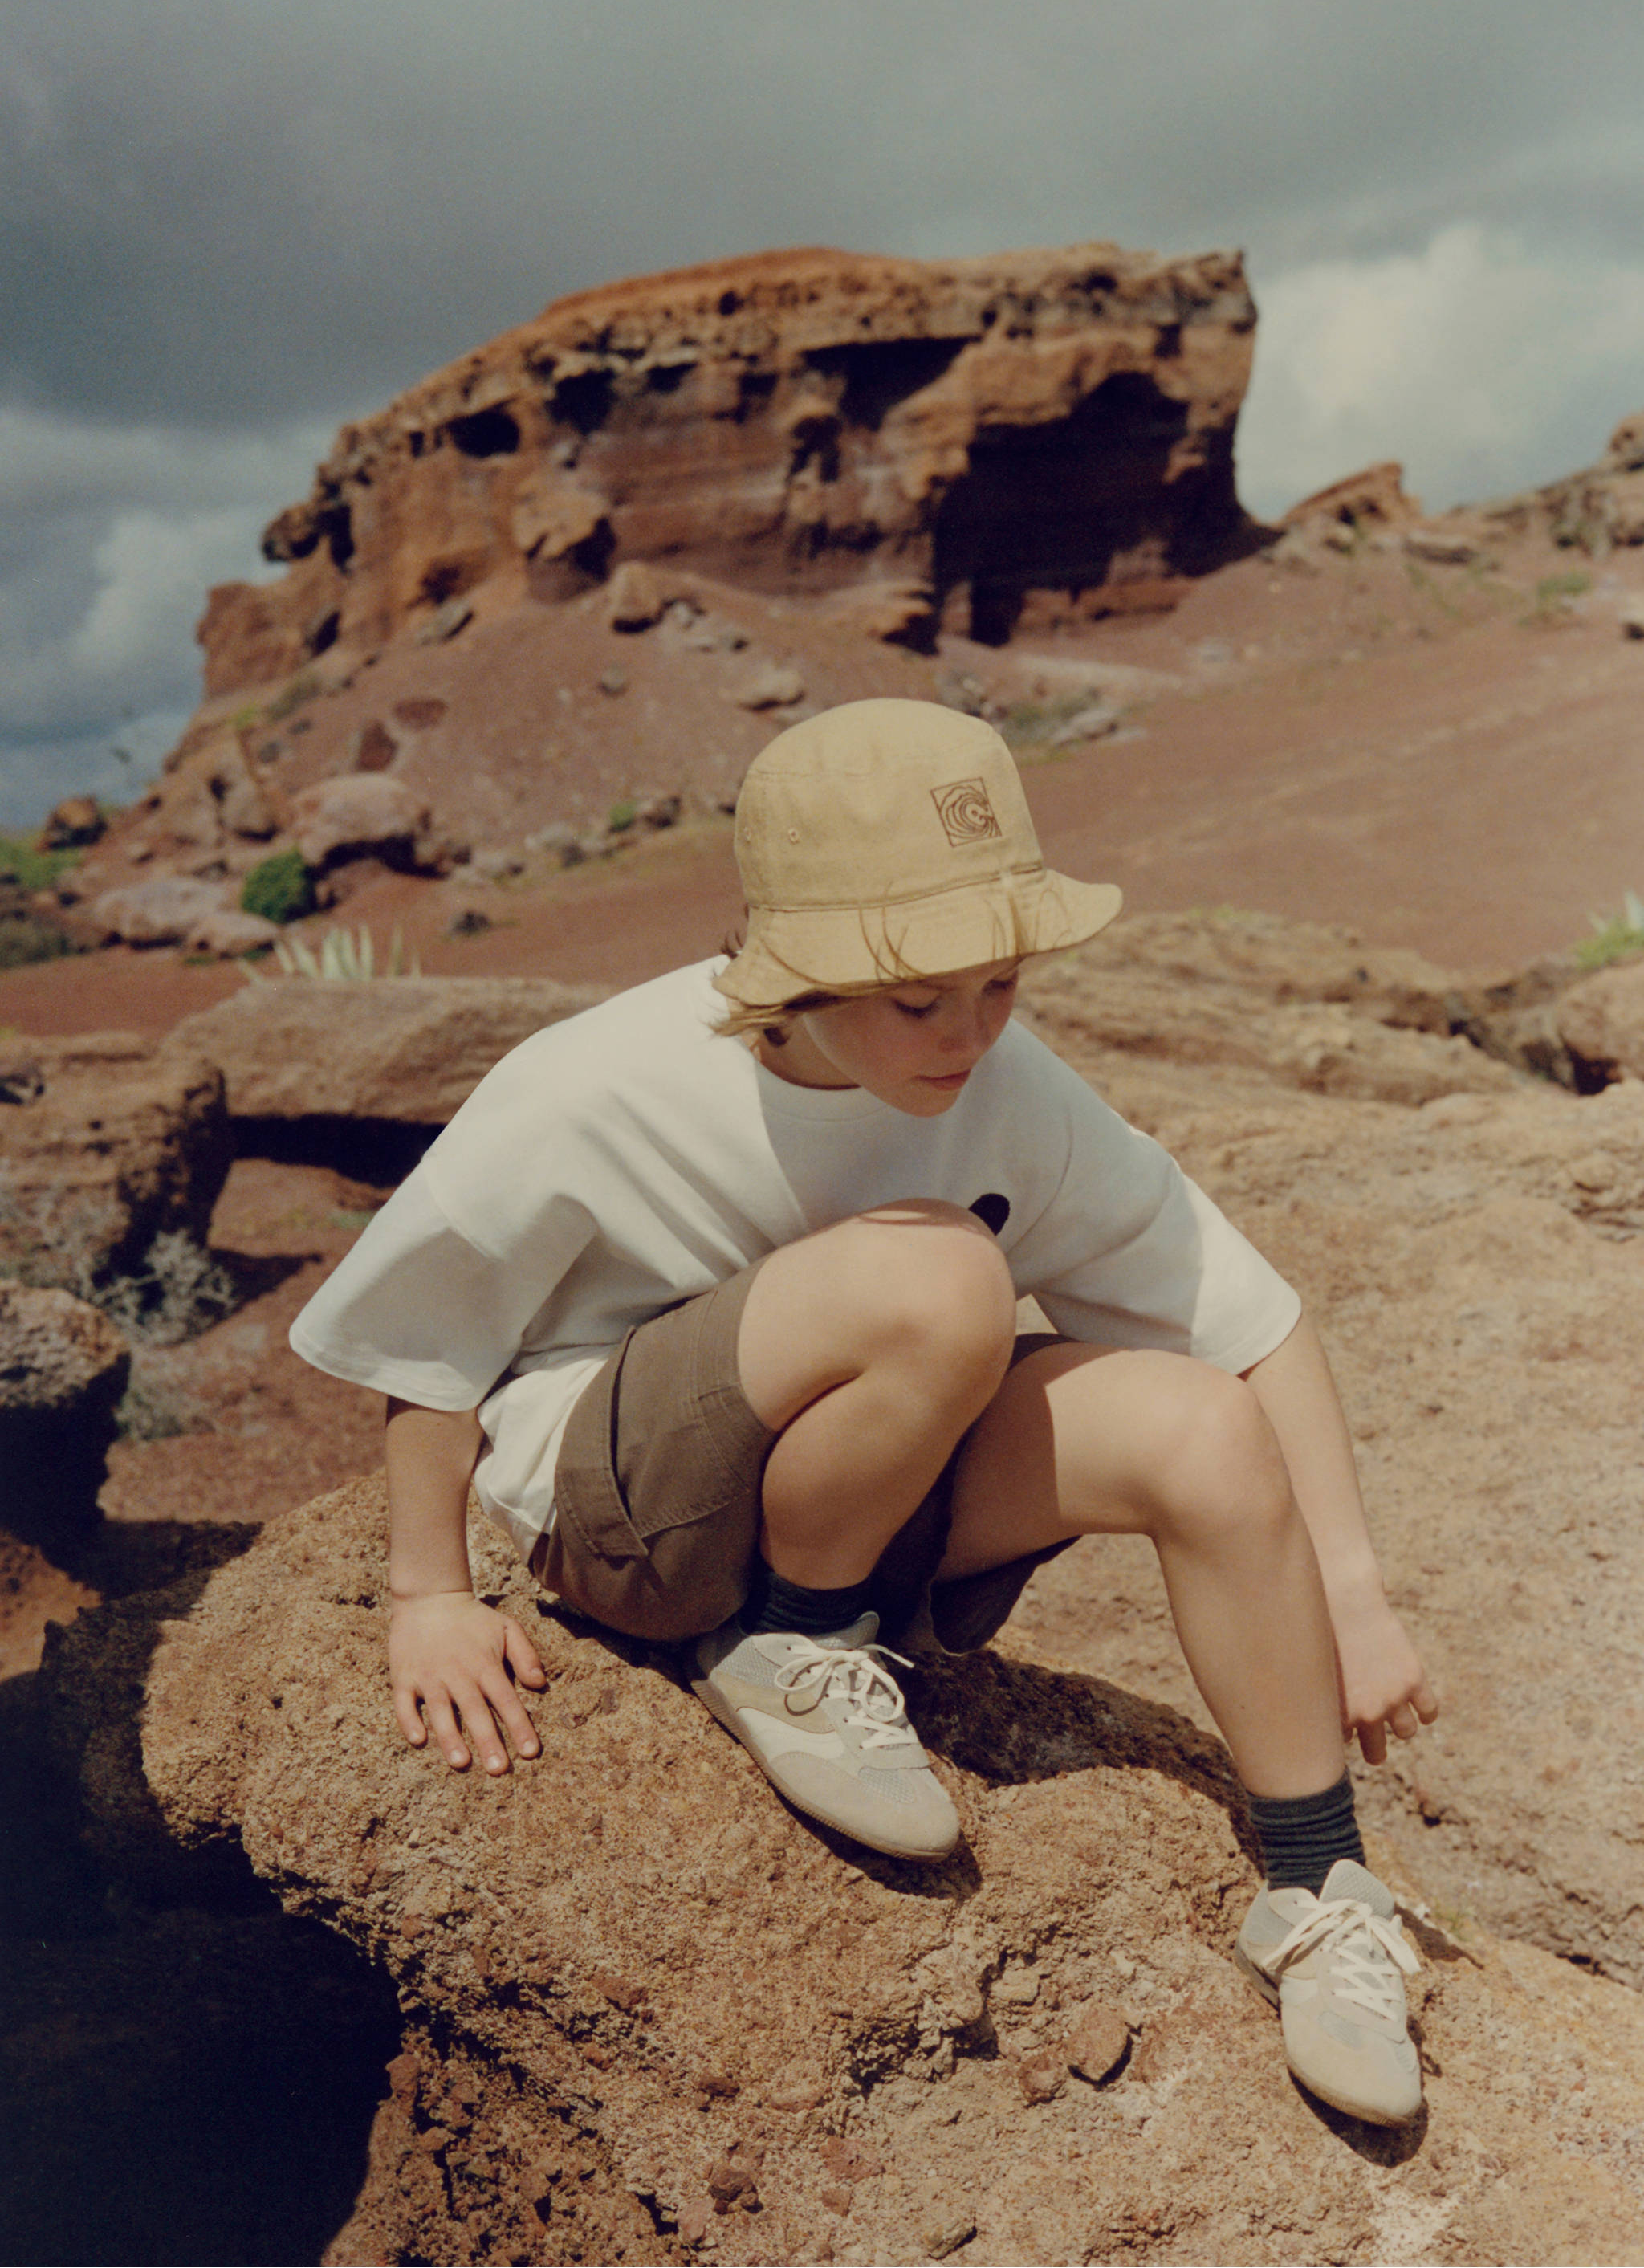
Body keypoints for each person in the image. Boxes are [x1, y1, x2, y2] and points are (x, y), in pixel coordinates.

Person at [291, 698, 1438, 2128]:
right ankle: (786, 1642)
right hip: (625, 1520)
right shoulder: (594, 1083)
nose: (969, 1034)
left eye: (1000, 985)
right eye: (919, 1000)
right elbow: (428, 1337)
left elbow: (1252, 1321)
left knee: (1198, 1423)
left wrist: (1352, 1591)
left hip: (864, 1506)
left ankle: (1320, 1888)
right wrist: (424, 1591)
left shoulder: (1011, 1090)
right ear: (799, 971)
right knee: (949, 1274)